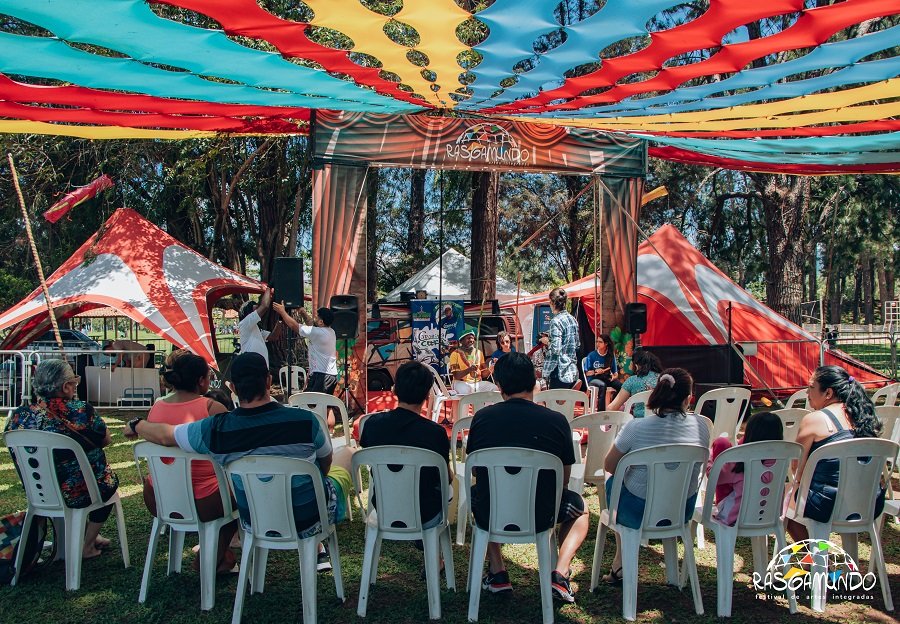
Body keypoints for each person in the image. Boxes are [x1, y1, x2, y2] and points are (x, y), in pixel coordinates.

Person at [124, 352, 354, 572]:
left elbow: (166, 435)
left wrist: (138, 425)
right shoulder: (308, 421)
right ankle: (318, 546)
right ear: (268, 380)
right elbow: (324, 465)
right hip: (308, 517)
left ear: (232, 387)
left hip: (253, 515)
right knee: (346, 455)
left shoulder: (216, 428)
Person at [466, 352, 588, 603]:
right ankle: (561, 572)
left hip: (492, 510)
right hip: (544, 512)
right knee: (581, 509)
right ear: (534, 382)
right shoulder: (556, 421)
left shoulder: (482, 419)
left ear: (499, 386)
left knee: (479, 495)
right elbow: (563, 480)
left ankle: (497, 570)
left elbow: (477, 471)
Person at [601, 367, 709, 584]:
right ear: (689, 398)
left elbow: (610, 465)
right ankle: (623, 565)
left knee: (613, 482)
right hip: (681, 509)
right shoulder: (702, 426)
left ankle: (620, 563)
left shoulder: (636, 427)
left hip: (637, 511)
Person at [5, 359, 119, 560]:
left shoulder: (19, 416)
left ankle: (83, 537)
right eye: (75, 381)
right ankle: (88, 544)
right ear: (66, 386)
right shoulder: (81, 411)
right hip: (78, 492)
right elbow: (106, 439)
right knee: (108, 485)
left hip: (40, 491)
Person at [141, 350, 238, 574]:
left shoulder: (155, 407)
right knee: (241, 494)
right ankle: (211, 558)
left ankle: (221, 556)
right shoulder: (212, 409)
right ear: (201, 381)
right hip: (205, 502)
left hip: (159, 499)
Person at [786, 365, 884, 541]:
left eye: (811, 387)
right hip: (869, 503)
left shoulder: (814, 419)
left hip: (827, 506)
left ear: (828, 393)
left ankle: (817, 561)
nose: (807, 393)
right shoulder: (864, 416)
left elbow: (797, 470)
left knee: (783, 499)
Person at [360, 360, 451, 527]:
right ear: (427, 395)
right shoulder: (436, 433)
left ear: (395, 390)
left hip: (384, 508)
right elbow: (447, 478)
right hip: (426, 513)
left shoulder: (372, 425)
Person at [707, 411, 783, 526]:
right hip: (770, 515)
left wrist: (709, 457)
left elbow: (714, 477)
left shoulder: (739, 461)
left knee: (721, 443)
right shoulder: (781, 461)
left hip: (736, 517)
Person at [273, 303, 338, 397]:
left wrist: (282, 312)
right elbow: (311, 323)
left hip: (321, 376)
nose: (314, 318)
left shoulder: (317, 333)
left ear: (321, 322)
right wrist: (302, 312)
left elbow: (294, 326)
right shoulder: (331, 331)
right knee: (327, 405)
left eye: (317, 317)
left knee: (310, 404)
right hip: (331, 376)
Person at [607, 349, 663, 417]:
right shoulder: (663, 379)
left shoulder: (632, 381)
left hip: (639, 424)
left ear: (637, 365)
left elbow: (612, 408)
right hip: (662, 423)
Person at [543, 287, 579, 390]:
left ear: (553, 303)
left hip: (558, 370)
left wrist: (547, 341)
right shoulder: (573, 320)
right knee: (568, 405)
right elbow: (577, 344)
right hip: (571, 370)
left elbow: (556, 349)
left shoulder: (556, 321)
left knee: (553, 404)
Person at [448, 329, 496, 395]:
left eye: (472, 338)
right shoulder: (455, 354)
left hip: (477, 383)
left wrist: (491, 369)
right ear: (461, 341)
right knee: (466, 391)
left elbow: (483, 374)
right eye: (468, 338)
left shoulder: (479, 353)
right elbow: (456, 376)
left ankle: (486, 405)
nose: (471, 340)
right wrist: (469, 369)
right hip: (461, 383)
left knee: (494, 388)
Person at [583, 334, 622, 410]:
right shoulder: (591, 355)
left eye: (600, 342)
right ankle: (601, 411)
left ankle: (613, 406)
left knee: (621, 386)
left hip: (606, 378)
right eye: (597, 341)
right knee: (602, 385)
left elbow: (615, 373)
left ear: (606, 344)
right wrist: (595, 371)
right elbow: (587, 373)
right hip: (593, 379)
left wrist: (614, 377)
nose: (598, 344)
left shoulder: (610, 355)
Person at [238, 287, 273, 367]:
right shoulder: (245, 323)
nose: (258, 311)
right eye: (256, 309)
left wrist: (280, 319)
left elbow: (273, 336)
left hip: (260, 369)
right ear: (249, 312)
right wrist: (269, 287)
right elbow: (264, 306)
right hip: (251, 368)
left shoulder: (256, 329)